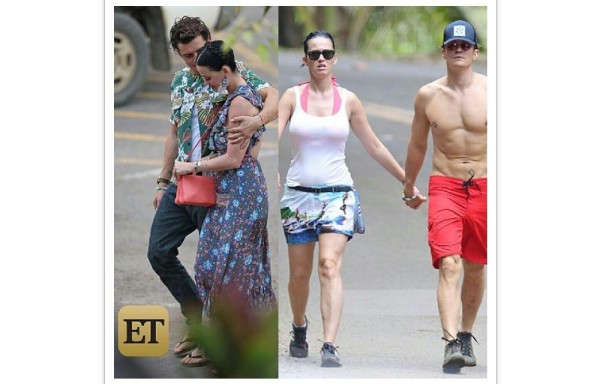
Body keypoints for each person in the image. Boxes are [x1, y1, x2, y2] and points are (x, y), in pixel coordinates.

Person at [278, 30, 426, 368]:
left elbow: (373, 145)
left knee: (329, 266)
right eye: (313, 54)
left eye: (326, 53)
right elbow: (273, 136)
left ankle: (329, 343)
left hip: (337, 196)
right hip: (297, 198)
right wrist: (269, 169)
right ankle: (299, 326)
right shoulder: (290, 97)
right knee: (299, 276)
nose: (320, 59)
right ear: (304, 59)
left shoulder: (348, 100)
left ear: (335, 59)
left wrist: (408, 181)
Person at [146, 16, 278, 365]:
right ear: (177, 53)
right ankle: (197, 320)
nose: (193, 61)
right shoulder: (179, 82)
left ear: (210, 43)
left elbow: (274, 97)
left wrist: (258, 122)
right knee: (159, 251)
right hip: (182, 182)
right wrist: (163, 180)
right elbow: (174, 132)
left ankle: (218, 335)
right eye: (186, 55)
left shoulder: (231, 71)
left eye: (198, 52)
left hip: (218, 185)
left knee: (218, 270)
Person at [402, 20, 487, 374]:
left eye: (464, 46)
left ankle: (466, 333)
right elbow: (418, 144)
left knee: (475, 265)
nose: (458, 50)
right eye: (452, 45)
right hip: (445, 185)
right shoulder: (428, 96)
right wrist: (409, 186)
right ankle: (451, 341)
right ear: (442, 51)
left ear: (475, 52)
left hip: (486, 185)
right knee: (449, 262)